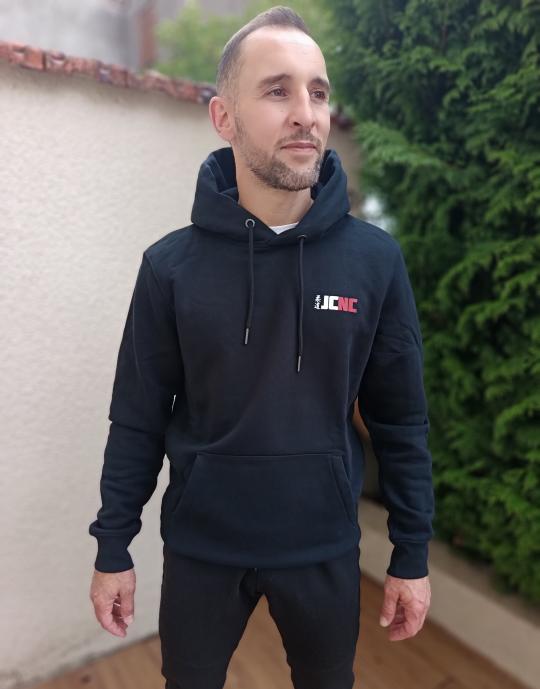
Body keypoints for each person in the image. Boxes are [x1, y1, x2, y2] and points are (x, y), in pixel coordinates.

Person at [88, 5, 434, 688]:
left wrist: (412, 552)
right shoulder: (170, 267)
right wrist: (113, 545)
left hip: (323, 545)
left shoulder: (374, 262)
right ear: (224, 117)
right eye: (278, 90)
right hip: (202, 547)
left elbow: (401, 419)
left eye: (318, 92)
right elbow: (137, 418)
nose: (306, 113)